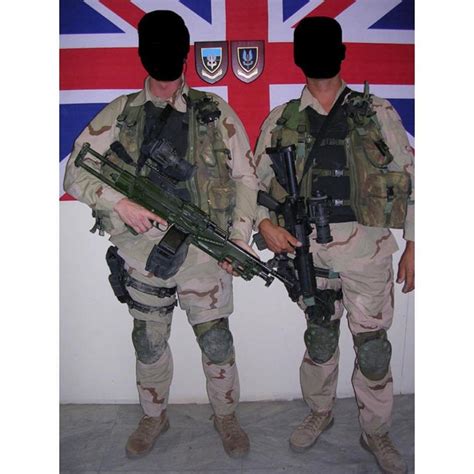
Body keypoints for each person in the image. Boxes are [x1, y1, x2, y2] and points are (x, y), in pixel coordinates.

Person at [64, 10, 258, 460]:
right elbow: (75, 173)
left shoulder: (213, 113)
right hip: (141, 253)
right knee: (148, 342)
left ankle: (226, 417)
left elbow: (247, 179)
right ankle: (154, 417)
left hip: (205, 256)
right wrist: (120, 203)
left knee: (216, 341)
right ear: (142, 53)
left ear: (186, 52)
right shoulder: (122, 113)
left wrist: (238, 239)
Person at [254, 17, 414, 474]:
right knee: (320, 341)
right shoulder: (281, 119)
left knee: (374, 348)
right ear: (300, 58)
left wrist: (415, 245)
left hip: (367, 252)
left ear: (342, 54)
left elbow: (411, 178)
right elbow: (254, 183)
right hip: (310, 253)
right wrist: (264, 223)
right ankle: (320, 411)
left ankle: (376, 432)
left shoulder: (375, 111)